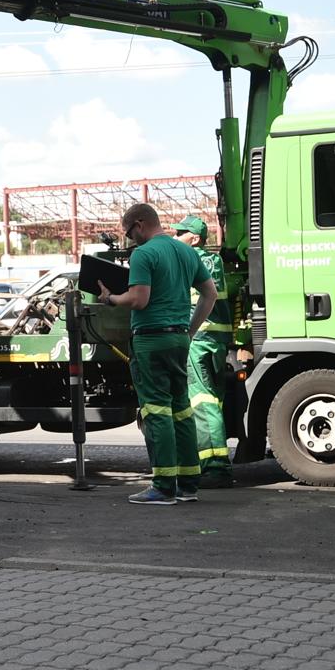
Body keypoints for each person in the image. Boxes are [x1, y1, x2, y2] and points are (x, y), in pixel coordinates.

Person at [96, 202, 218, 506]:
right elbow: (210, 294)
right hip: (178, 338)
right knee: (181, 409)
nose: (130, 240)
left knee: (157, 411)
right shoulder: (187, 252)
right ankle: (188, 485)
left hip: (151, 340)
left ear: (139, 224)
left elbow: (139, 299)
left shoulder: (144, 254)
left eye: (129, 233)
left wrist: (110, 298)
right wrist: (189, 331)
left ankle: (163, 487)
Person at [173, 215, 236, 489]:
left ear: (195, 239)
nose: (175, 237)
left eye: (180, 233)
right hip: (217, 340)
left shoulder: (188, 260)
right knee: (213, 400)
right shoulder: (216, 262)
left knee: (201, 401)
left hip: (198, 338)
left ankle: (215, 467)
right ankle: (213, 462)